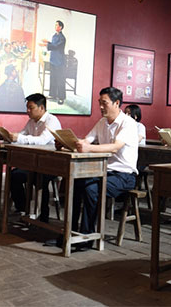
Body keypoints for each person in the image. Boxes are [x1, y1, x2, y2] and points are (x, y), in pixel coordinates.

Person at [50, 87, 138, 249]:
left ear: (116, 103)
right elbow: (86, 141)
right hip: (103, 171)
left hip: (124, 176)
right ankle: (70, 231)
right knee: (75, 183)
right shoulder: (102, 122)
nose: (101, 107)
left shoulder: (128, 124)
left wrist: (88, 148)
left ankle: (87, 236)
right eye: (99, 103)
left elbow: (115, 147)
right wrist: (66, 144)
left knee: (91, 189)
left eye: (105, 103)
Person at [0, 93, 61, 222]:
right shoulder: (31, 122)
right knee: (14, 175)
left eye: (31, 108)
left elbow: (42, 141)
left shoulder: (52, 121)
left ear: (41, 108)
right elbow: (21, 137)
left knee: (41, 179)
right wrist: (8, 137)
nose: (28, 111)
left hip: (51, 165)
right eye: (27, 108)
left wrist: (19, 137)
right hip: (33, 164)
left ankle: (43, 217)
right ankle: (23, 209)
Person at [39, 20, 66, 105]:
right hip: (53, 60)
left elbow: (56, 46)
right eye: (55, 25)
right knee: (53, 78)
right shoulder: (54, 36)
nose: (55, 26)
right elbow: (53, 44)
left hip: (59, 62)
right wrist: (48, 42)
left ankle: (61, 97)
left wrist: (45, 45)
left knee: (60, 79)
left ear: (60, 27)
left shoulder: (62, 38)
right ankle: (53, 95)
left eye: (57, 25)